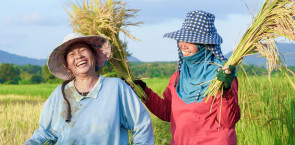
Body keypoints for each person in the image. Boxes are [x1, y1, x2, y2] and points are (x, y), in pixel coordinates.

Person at [24, 33, 154, 145]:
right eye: (72, 54)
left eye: (82, 50)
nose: (79, 56)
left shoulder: (116, 88)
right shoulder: (60, 94)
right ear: (67, 66)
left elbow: (141, 125)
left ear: (94, 56)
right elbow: (46, 134)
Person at [133, 10, 240, 145]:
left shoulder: (221, 74)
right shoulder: (179, 75)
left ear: (204, 45)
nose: (182, 44)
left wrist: (226, 90)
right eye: (181, 39)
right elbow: (167, 112)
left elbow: (228, 121)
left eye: (189, 40)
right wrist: (143, 92)